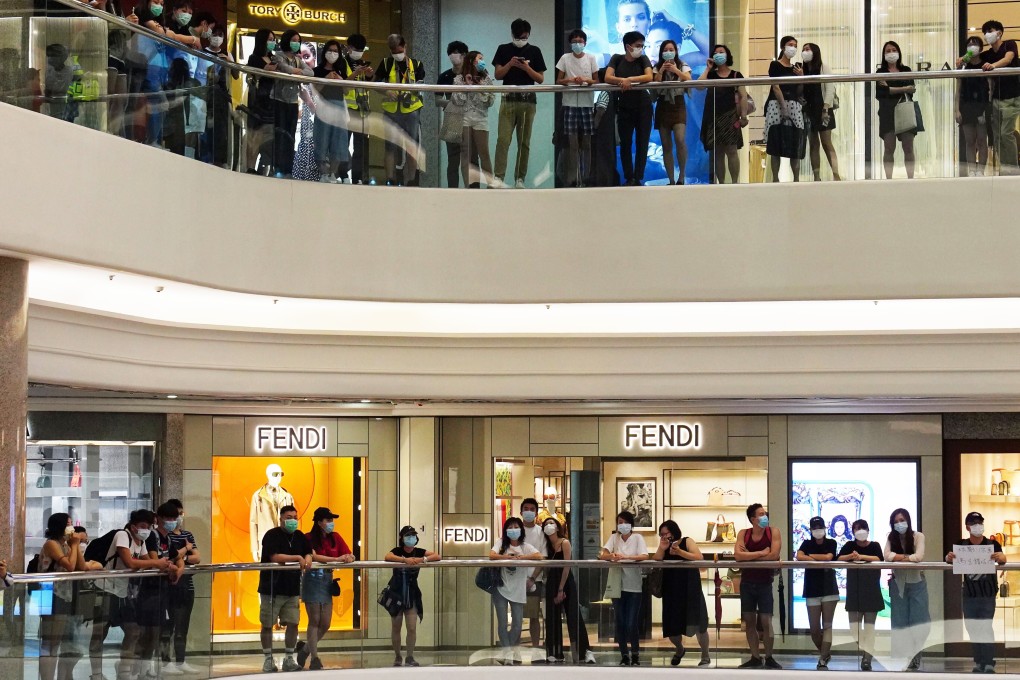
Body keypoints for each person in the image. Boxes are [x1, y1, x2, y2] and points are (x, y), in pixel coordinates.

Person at [89, 510, 170, 680]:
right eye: (142, 526)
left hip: (121, 592)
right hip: (104, 589)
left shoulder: (141, 541)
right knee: (99, 633)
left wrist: (170, 567)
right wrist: (156, 562)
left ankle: (124, 671)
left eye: (149, 527)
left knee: (133, 631)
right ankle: (96, 674)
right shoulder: (122, 535)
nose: (146, 530)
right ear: (133, 526)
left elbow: (147, 563)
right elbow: (130, 562)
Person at [947, 511, 1007, 673]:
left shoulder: (992, 544)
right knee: (972, 627)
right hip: (969, 593)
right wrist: (949, 557)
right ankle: (978, 661)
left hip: (987, 593)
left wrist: (1000, 557)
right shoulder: (962, 544)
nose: (977, 526)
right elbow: (949, 559)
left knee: (986, 626)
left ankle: (988, 661)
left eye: (979, 523)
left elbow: (1003, 558)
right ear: (967, 527)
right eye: (974, 523)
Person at [492, 18, 548, 189]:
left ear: (528, 35)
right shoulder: (503, 49)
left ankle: (519, 178)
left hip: (528, 101)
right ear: (512, 34)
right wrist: (510, 64)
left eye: (524, 36)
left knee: (524, 142)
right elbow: (498, 75)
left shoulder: (535, 51)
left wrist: (526, 68)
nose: (521, 39)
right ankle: (498, 177)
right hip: (508, 99)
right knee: (503, 139)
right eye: (518, 36)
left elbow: (540, 78)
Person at [258, 505, 312, 674]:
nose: (292, 520)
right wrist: (297, 557)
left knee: (294, 623)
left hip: (292, 588)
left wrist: (308, 558)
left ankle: (289, 658)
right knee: (267, 624)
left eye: (295, 517)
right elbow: (275, 557)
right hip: (271, 588)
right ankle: (268, 658)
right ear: (281, 518)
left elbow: (308, 552)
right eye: (289, 517)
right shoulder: (271, 535)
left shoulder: (300, 536)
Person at [297, 507, 353, 670]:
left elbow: (348, 553)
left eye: (331, 520)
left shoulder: (335, 537)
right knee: (314, 620)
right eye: (328, 520)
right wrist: (337, 559)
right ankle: (315, 657)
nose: (331, 524)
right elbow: (314, 556)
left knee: (326, 623)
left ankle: (305, 649)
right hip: (312, 579)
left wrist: (349, 557)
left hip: (327, 579)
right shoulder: (308, 538)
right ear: (319, 522)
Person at [653, 520, 709, 667]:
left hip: (691, 588)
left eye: (667, 533)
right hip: (671, 590)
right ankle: (679, 649)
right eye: (662, 535)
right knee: (672, 627)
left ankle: (705, 655)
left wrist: (679, 551)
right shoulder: (664, 546)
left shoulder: (687, 541)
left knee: (699, 623)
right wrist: (662, 547)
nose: (665, 536)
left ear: (674, 531)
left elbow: (699, 557)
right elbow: (656, 560)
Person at [489, 517, 544, 664]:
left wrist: (522, 557)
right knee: (502, 623)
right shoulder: (501, 543)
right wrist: (505, 557)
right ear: (506, 530)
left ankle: (509, 652)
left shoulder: (525, 546)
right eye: (510, 527)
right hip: (501, 588)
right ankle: (508, 654)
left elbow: (539, 556)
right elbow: (491, 555)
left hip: (518, 589)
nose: (513, 529)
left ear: (521, 529)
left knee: (517, 624)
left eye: (516, 526)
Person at [734, 503, 782, 669]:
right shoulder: (743, 533)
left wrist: (749, 556)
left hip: (765, 583)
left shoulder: (773, 532)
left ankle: (769, 656)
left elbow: (774, 555)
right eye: (761, 514)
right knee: (749, 622)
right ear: (753, 519)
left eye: (765, 513)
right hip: (747, 583)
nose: (765, 516)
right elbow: (738, 556)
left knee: (766, 621)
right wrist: (762, 553)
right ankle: (755, 656)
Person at [38, 513, 86, 680]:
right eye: (68, 524)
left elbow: (81, 566)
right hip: (48, 593)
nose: (71, 528)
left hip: (63, 594)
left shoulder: (65, 544)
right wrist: (74, 544)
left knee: (56, 642)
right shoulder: (52, 544)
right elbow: (70, 566)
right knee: (49, 642)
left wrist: (76, 545)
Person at [384, 526, 440, 667]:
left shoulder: (419, 551)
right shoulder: (397, 550)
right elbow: (388, 556)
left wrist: (422, 559)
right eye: (408, 536)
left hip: (412, 593)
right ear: (402, 538)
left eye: (413, 536)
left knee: (412, 627)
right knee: (396, 626)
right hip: (397, 593)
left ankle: (410, 656)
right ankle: (397, 656)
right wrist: (404, 560)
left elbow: (437, 556)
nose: (411, 539)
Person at [541, 517, 595, 664]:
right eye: (546, 524)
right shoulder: (546, 545)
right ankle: (555, 653)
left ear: (558, 527)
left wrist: (561, 588)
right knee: (552, 617)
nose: (549, 526)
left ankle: (585, 651)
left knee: (573, 616)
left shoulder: (564, 542)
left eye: (551, 523)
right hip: (552, 582)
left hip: (566, 582)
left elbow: (567, 566)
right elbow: (543, 565)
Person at [599, 510, 649, 666]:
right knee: (619, 621)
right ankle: (624, 655)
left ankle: (635, 654)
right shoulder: (614, 538)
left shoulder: (637, 538)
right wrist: (612, 556)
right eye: (619, 522)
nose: (622, 525)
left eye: (624, 522)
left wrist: (626, 557)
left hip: (634, 587)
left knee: (631, 622)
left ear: (631, 524)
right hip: (617, 586)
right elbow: (603, 554)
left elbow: (644, 556)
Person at [375, 34, 425, 186]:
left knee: (412, 146)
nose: (396, 53)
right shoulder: (385, 63)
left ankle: (412, 180)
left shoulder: (416, 64)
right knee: (390, 146)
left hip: (411, 110)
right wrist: (387, 91)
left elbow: (422, 86)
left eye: (399, 50)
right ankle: (390, 179)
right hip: (391, 111)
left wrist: (410, 92)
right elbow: (376, 84)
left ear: (405, 46)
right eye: (393, 51)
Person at [143, 504, 185, 679]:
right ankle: (144, 665)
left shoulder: (169, 538)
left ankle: (150, 665)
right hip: (149, 589)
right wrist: (172, 567)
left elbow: (179, 558)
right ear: (158, 518)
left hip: (164, 588)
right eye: (167, 518)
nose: (170, 522)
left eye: (173, 518)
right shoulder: (152, 536)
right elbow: (156, 560)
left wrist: (178, 570)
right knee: (149, 630)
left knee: (160, 628)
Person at [606, 31, 653, 186]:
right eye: (638, 45)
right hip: (624, 107)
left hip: (643, 107)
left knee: (642, 142)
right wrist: (622, 81)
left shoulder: (643, 59)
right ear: (628, 46)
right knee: (625, 143)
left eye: (642, 45)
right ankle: (629, 177)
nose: (641, 48)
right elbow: (608, 77)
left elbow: (649, 77)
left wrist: (629, 80)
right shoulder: (617, 59)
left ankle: (638, 176)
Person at [837, 519, 884, 671]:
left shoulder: (875, 545)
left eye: (862, 528)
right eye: (857, 529)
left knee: (870, 628)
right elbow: (838, 558)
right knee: (854, 629)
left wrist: (862, 557)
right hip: (854, 591)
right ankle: (866, 649)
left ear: (868, 529)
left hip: (871, 591)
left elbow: (879, 559)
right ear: (853, 532)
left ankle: (867, 659)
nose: (860, 531)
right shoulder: (850, 545)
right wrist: (851, 555)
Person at [885, 508, 929, 672]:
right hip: (898, 584)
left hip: (917, 583)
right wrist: (905, 558)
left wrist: (898, 557)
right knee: (900, 621)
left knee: (918, 621)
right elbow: (886, 556)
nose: (899, 524)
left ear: (908, 520)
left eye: (902, 520)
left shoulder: (918, 536)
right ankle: (905, 657)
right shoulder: (891, 537)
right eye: (896, 521)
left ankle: (916, 654)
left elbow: (918, 557)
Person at [160, 499, 200, 675]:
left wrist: (180, 557)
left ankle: (180, 660)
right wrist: (185, 552)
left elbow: (197, 558)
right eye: (174, 515)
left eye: (179, 514)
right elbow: (168, 558)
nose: (177, 518)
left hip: (186, 585)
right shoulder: (162, 536)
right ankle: (164, 661)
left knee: (182, 626)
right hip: (168, 585)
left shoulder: (187, 535)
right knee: (167, 626)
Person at [555, 30, 599, 188]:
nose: (577, 44)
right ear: (570, 44)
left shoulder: (591, 58)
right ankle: (573, 178)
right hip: (570, 103)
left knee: (586, 142)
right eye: (574, 41)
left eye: (580, 41)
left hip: (587, 104)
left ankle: (586, 176)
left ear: (585, 43)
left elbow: (596, 80)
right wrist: (572, 80)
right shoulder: (565, 58)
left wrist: (586, 80)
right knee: (572, 143)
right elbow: (559, 80)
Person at [698, 44, 747, 184]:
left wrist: (743, 116)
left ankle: (735, 182)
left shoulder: (736, 75)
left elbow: (743, 96)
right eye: (716, 53)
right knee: (718, 152)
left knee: (732, 150)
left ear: (727, 55)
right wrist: (708, 68)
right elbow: (699, 86)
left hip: (731, 116)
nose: (719, 54)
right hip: (713, 117)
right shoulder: (711, 75)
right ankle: (721, 183)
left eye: (722, 52)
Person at [796, 516, 838, 670]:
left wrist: (810, 557)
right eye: (814, 527)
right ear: (811, 529)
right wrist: (815, 558)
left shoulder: (831, 543)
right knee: (814, 630)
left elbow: (828, 557)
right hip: (811, 589)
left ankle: (822, 660)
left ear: (825, 528)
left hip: (829, 589)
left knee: (827, 626)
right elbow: (799, 557)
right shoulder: (806, 543)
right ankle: (825, 653)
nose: (817, 530)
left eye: (820, 527)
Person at [979, 21, 1020, 174]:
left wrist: (993, 66)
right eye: (985, 32)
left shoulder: (1009, 44)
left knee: (1005, 133)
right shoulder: (989, 53)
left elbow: (1008, 59)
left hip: (1013, 98)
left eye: (990, 30)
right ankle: (1005, 168)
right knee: (997, 136)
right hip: (996, 98)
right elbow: (974, 58)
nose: (986, 34)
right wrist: (963, 58)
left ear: (999, 33)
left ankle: (1013, 169)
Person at [270, 30, 313, 178]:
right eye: (294, 40)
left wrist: (296, 72)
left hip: (293, 102)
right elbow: (285, 69)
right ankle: (277, 167)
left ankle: (288, 169)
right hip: (279, 100)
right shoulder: (278, 56)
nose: (296, 43)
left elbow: (310, 73)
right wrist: (297, 72)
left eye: (298, 40)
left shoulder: (297, 59)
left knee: (290, 136)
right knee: (279, 134)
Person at [764, 36, 804, 182]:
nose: (793, 47)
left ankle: (796, 179)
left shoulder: (797, 67)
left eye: (795, 45)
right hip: (776, 105)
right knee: (776, 142)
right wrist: (783, 107)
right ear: (783, 47)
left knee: (796, 139)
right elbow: (776, 86)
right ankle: (775, 178)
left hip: (794, 105)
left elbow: (799, 91)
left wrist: (801, 77)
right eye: (790, 44)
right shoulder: (775, 65)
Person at [452, 51, 495, 189]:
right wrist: (467, 86)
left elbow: (490, 101)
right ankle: (469, 186)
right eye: (480, 59)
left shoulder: (487, 78)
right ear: (472, 61)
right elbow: (456, 100)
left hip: (481, 119)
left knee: (484, 154)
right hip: (464, 119)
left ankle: (491, 185)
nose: (482, 61)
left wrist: (480, 88)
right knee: (466, 155)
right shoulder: (459, 78)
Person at [876, 40, 917, 179]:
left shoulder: (906, 70)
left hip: (905, 111)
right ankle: (888, 180)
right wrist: (903, 88)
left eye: (894, 50)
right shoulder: (880, 72)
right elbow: (881, 93)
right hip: (887, 113)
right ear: (883, 54)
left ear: (898, 52)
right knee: (889, 148)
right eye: (888, 51)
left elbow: (912, 89)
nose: (891, 53)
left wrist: (891, 88)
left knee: (908, 148)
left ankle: (910, 179)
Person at [653, 39, 691, 185]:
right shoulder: (656, 66)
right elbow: (655, 82)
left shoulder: (682, 65)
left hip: (678, 104)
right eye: (665, 50)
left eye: (671, 49)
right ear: (661, 52)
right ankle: (671, 179)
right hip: (663, 105)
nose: (668, 52)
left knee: (680, 139)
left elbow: (688, 78)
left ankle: (682, 176)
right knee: (666, 145)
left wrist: (675, 70)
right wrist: (662, 70)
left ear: (676, 51)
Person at [800, 43, 840, 181]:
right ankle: (816, 176)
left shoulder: (823, 67)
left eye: (807, 49)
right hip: (808, 110)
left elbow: (830, 88)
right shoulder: (801, 69)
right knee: (813, 143)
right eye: (803, 50)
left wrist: (826, 108)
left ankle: (836, 174)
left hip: (823, 108)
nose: (805, 52)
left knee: (826, 142)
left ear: (815, 51)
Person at [311, 39, 349, 184]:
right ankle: (323, 173)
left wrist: (341, 80)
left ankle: (333, 173)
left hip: (339, 107)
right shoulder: (317, 70)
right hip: (323, 107)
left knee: (338, 142)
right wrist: (325, 80)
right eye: (330, 50)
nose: (332, 54)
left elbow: (346, 91)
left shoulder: (341, 70)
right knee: (322, 139)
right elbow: (315, 92)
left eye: (335, 51)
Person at [199, 25, 236, 168]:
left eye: (221, 34)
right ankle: (205, 157)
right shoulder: (203, 52)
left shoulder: (226, 54)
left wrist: (228, 62)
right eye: (215, 34)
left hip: (223, 95)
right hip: (205, 94)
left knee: (222, 129)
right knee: (206, 127)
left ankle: (221, 160)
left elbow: (236, 75)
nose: (218, 37)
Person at [956, 36, 991, 177]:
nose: (972, 46)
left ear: (981, 48)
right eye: (969, 44)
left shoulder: (986, 65)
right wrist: (956, 109)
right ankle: (971, 170)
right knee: (969, 140)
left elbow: (991, 89)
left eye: (975, 44)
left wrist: (988, 110)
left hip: (982, 106)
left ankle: (981, 170)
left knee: (982, 140)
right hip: (966, 106)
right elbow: (958, 90)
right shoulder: (963, 67)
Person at [340, 34, 373, 184]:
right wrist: (356, 73)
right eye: (356, 49)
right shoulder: (342, 62)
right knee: (343, 144)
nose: (359, 52)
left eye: (361, 49)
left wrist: (369, 76)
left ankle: (358, 177)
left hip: (362, 110)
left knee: (360, 147)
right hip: (347, 109)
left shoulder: (362, 63)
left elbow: (365, 85)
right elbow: (342, 85)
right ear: (348, 47)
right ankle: (343, 174)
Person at [244, 29, 278, 174]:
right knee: (255, 136)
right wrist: (267, 69)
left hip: (273, 101)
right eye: (269, 39)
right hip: (258, 102)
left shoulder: (275, 58)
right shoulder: (254, 58)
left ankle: (266, 168)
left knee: (270, 137)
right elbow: (253, 75)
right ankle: (250, 167)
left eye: (273, 39)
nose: (272, 42)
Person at [517, 499, 546, 656]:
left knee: (534, 616)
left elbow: (543, 557)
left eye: (532, 509)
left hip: (535, 580)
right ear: (521, 512)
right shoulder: (514, 529)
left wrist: (533, 578)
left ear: (536, 512)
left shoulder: (540, 532)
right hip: (514, 581)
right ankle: (513, 651)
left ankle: (536, 649)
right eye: (526, 509)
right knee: (516, 617)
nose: (529, 511)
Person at [438, 41, 469, 188]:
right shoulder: (444, 76)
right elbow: (437, 100)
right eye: (451, 53)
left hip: (469, 118)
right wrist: (453, 102)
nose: (453, 56)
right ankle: (452, 190)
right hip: (451, 118)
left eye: (457, 52)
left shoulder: (470, 75)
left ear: (464, 55)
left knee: (469, 158)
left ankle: (471, 190)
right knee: (453, 159)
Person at [250, 463, 295, 561]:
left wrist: (294, 544)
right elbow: (253, 523)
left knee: (284, 572)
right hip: (265, 540)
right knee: (267, 572)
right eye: (275, 474)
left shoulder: (287, 496)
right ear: (268, 474)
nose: (279, 477)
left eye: (281, 474)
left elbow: (293, 520)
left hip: (285, 540)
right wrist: (254, 549)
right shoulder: (258, 496)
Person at [292, 42, 321, 182]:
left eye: (306, 56)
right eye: (299, 58)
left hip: (317, 145)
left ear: (314, 58)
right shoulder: (301, 84)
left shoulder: (319, 83)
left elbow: (323, 114)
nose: (303, 61)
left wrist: (308, 101)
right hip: (304, 144)